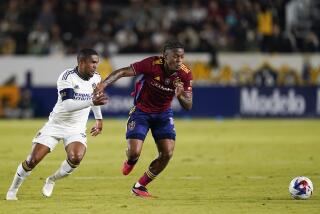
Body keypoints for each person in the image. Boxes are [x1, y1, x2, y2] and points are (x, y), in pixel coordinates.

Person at [6, 48, 108, 200]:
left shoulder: (96, 78)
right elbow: (68, 105)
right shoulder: (67, 77)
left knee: (76, 158)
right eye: (92, 63)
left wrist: (98, 119)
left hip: (76, 128)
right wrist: (91, 101)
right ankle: (13, 190)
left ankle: (51, 180)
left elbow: (96, 100)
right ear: (81, 62)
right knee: (32, 160)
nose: (95, 66)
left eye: (97, 63)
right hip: (56, 125)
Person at [94, 41, 193, 197]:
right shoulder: (151, 64)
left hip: (163, 114)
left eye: (181, 57)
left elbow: (188, 105)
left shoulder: (185, 74)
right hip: (141, 112)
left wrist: (180, 96)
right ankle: (130, 161)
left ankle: (139, 186)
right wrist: (103, 84)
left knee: (167, 153)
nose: (179, 60)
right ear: (165, 57)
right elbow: (122, 72)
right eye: (175, 57)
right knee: (134, 153)